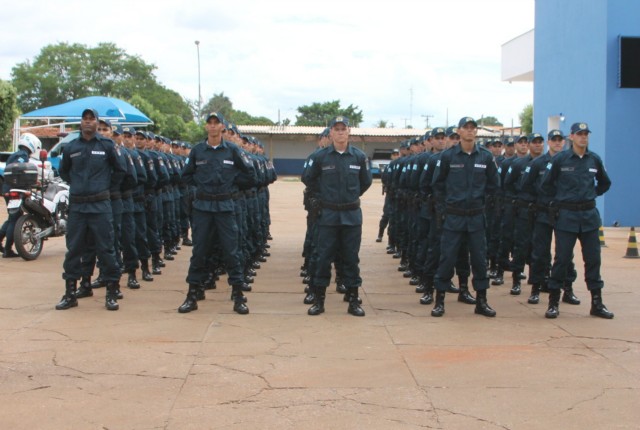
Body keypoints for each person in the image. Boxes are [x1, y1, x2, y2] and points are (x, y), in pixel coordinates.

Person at [177, 112, 257, 315]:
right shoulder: (197, 151)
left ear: (222, 126)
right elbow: (185, 176)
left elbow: (250, 175)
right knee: (200, 252)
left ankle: (238, 296)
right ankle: (192, 295)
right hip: (203, 208)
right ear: (206, 127)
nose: (213, 126)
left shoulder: (232, 150)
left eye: (216, 123)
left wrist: (231, 185)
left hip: (225, 207)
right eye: (209, 123)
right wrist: (202, 187)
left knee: (232, 251)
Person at [539, 122, 613, 319]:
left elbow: (605, 183)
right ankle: (554, 302)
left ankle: (597, 303)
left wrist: (592, 194)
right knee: (562, 259)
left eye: (585, 134)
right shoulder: (561, 160)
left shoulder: (594, 160)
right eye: (579, 134)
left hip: (588, 217)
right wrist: (560, 200)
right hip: (567, 217)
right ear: (571, 137)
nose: (583, 137)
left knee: (593, 259)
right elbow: (545, 185)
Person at [55, 108, 126, 311]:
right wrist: (78, 185)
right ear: (81, 122)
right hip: (78, 205)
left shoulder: (107, 145)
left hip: (100, 205)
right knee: (74, 249)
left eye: (91, 119)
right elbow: (64, 171)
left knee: (106, 249)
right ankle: (71, 293)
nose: (88, 122)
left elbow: (120, 170)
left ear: (96, 122)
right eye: (84, 119)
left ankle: (111, 292)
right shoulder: (71, 147)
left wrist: (104, 187)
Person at [302, 116, 373, 316]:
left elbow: (365, 182)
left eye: (344, 129)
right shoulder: (321, 157)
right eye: (337, 129)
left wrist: (350, 195)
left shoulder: (359, 157)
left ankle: (353, 301)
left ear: (349, 131)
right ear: (330, 132)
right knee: (323, 258)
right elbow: (308, 179)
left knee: (351, 258)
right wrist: (323, 196)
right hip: (328, 215)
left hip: (351, 215)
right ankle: (319, 300)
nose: (340, 132)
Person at [430, 117, 499, 317]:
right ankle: (440, 300)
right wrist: (445, 209)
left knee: (479, 259)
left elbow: (494, 185)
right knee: (447, 258)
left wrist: (482, 204)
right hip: (454, 217)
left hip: (476, 217)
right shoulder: (448, 156)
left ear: (476, 132)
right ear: (459, 131)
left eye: (473, 128)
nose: (470, 131)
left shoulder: (485, 157)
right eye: (466, 128)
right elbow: (438, 185)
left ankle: (482, 301)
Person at [0, 133, 41, 258]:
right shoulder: (22, 156)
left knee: (12, 217)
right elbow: (19, 173)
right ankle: (8, 250)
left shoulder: (14, 154)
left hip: (8, 189)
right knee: (16, 219)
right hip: (16, 190)